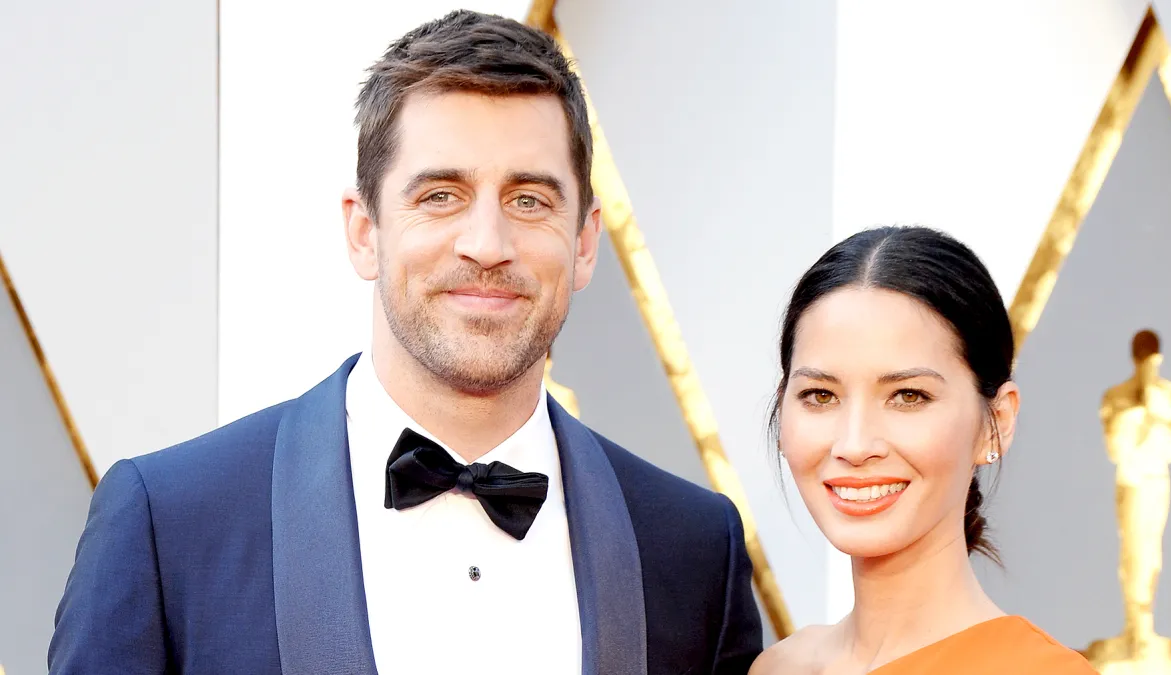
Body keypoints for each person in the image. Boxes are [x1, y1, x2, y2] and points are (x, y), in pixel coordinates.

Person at [48, 10, 762, 675]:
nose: (487, 244)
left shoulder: (694, 549)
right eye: (441, 195)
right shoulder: (166, 523)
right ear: (365, 231)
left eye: (529, 200)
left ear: (584, 243)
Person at [751, 226, 1095, 674]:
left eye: (908, 396)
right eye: (820, 395)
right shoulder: (777, 668)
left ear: (998, 423)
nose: (855, 445)